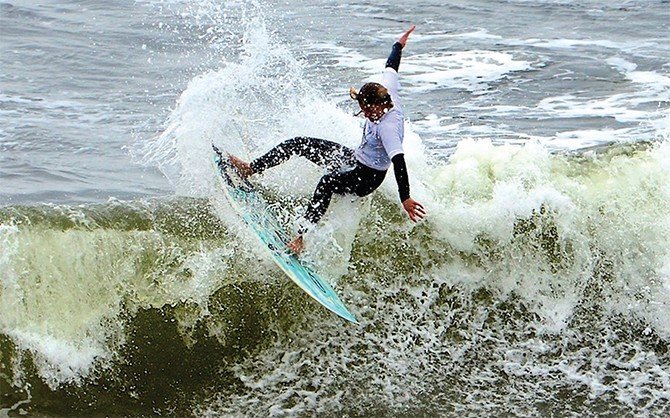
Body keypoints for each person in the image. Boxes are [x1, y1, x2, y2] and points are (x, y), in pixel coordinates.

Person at [230, 25, 426, 253]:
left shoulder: (388, 128)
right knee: (298, 143)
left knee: (327, 183)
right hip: (355, 158)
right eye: (363, 109)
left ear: (380, 104)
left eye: (368, 110)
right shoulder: (387, 90)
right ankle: (250, 169)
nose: (365, 114)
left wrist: (405, 198)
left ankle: (301, 238)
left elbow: (399, 161)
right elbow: (391, 66)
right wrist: (398, 45)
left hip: (368, 177)